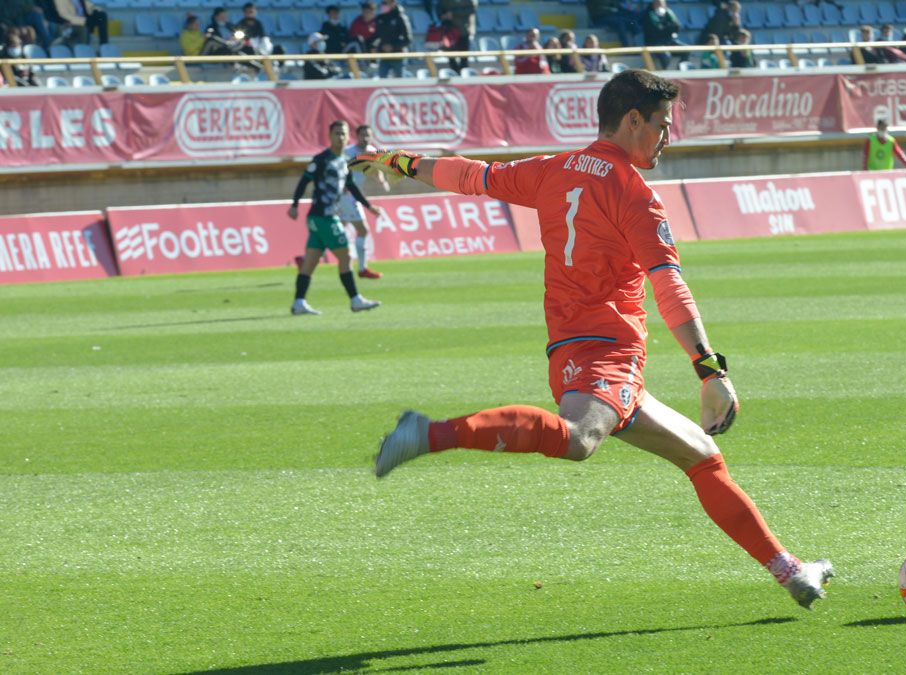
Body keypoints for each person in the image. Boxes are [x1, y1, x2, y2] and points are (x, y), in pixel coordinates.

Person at [353, 69, 835, 610]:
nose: (666, 137)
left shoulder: (552, 169)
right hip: (606, 350)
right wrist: (710, 371)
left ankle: (791, 570)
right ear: (632, 121)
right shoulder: (635, 194)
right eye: (661, 125)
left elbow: (472, 176)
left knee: (703, 457)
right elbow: (668, 285)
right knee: (581, 438)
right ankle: (428, 433)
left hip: (575, 346)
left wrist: (398, 161)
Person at [287, 120, 383, 316]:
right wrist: (295, 205)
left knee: (310, 263)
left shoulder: (344, 162)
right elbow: (304, 180)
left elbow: (352, 187)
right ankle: (356, 300)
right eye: (337, 133)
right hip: (324, 216)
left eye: (343, 134)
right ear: (330, 137)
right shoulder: (322, 159)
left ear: (348, 138)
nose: (340, 137)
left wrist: (369, 206)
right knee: (345, 256)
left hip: (320, 219)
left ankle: (299, 303)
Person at [337, 124, 387, 279]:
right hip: (346, 195)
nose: (365, 138)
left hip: (353, 194)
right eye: (363, 135)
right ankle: (363, 269)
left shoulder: (372, 151)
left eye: (368, 135)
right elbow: (339, 169)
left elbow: (374, 168)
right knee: (363, 230)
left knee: (339, 228)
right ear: (356, 136)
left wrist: (381, 180)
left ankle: (305, 258)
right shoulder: (349, 152)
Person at [373, 0, 412, 77]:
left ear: (393, 3)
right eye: (382, 3)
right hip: (384, 55)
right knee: (382, 79)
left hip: (398, 55)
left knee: (399, 80)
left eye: (385, 3)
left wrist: (393, 46)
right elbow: (376, 37)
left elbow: (408, 39)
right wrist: (377, 46)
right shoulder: (379, 18)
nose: (383, 5)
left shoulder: (401, 18)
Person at [642, 0, 685, 70]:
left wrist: (668, 28)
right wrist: (669, 27)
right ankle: (666, 74)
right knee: (666, 56)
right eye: (658, 3)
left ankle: (680, 69)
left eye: (661, 3)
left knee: (686, 50)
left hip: (669, 40)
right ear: (654, 4)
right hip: (655, 42)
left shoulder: (668, 12)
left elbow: (677, 25)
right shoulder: (648, 14)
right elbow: (658, 30)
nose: (660, 5)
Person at [435, 0, 476, 72]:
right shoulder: (443, 2)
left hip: (463, 30)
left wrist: (453, 13)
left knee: (464, 56)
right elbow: (439, 11)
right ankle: (454, 72)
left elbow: (471, 10)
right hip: (449, 31)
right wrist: (444, 15)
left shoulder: (468, 1)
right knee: (450, 55)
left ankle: (464, 74)